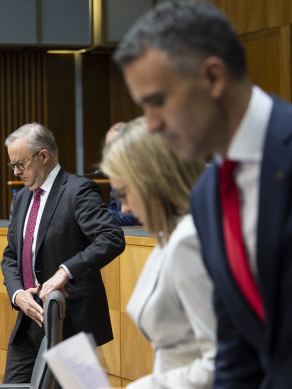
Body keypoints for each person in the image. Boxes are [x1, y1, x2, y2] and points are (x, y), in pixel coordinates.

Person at [114, 1, 292, 387]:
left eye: (157, 101)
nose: (152, 124)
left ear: (213, 78)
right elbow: (235, 351)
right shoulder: (207, 197)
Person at [1, 122, 125, 383]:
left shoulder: (77, 190)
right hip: (28, 320)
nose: (16, 171)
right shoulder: (22, 197)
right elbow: (10, 256)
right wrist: (17, 294)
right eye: (12, 165)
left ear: (43, 156)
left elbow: (111, 238)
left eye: (20, 164)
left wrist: (65, 272)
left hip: (71, 319)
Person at [101, 117, 214, 388]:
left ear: (153, 181)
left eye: (124, 194)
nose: (124, 210)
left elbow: (221, 360)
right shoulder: (169, 236)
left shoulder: (189, 240)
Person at [104, 122, 140, 226]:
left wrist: (100, 217)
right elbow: (113, 209)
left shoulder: (144, 173)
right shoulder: (118, 173)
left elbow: (138, 217)